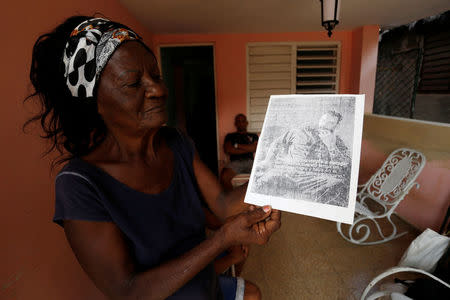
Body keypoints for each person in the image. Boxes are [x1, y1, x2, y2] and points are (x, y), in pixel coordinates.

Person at [25, 16, 281, 300]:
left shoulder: (176, 142)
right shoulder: (80, 184)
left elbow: (222, 205)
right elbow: (129, 290)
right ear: (93, 101)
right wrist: (222, 239)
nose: (159, 90)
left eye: (156, 76)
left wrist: (282, 175)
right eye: (133, 84)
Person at [254, 111, 351, 207]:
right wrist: (268, 161)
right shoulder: (300, 132)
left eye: (331, 122)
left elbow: (345, 165)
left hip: (314, 179)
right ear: (320, 119)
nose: (324, 124)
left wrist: (331, 146)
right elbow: (277, 142)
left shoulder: (337, 141)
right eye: (324, 120)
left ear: (336, 126)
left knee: (339, 186)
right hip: (287, 173)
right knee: (264, 181)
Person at [221, 114, 258, 190]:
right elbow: (228, 150)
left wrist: (236, 146)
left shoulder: (253, 135)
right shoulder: (230, 136)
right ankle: (231, 199)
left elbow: (254, 148)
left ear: (246, 123)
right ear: (235, 124)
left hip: (250, 162)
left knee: (263, 176)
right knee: (224, 177)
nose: (241, 123)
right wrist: (248, 148)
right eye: (238, 121)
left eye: (243, 121)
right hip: (235, 162)